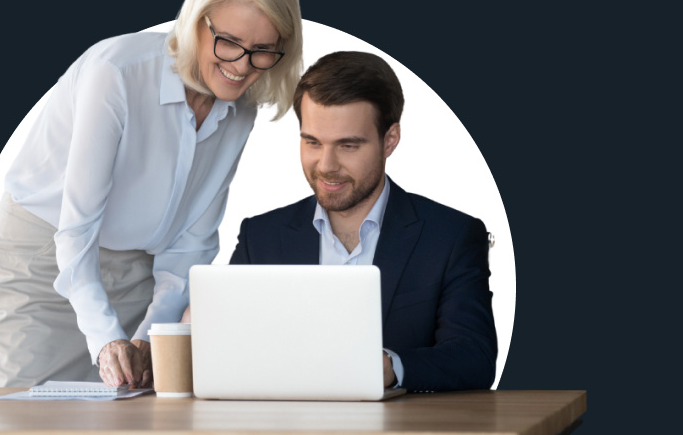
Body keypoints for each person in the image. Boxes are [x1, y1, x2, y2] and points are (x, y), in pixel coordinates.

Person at [0, 0, 303, 388]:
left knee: (132, 412)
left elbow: (192, 242)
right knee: (30, 414)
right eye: (228, 43)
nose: (241, 67)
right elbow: (76, 231)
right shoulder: (117, 74)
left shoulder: (241, 108)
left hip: (137, 271)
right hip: (45, 262)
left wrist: (152, 334)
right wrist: (106, 340)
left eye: (263, 50)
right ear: (196, 23)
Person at [184, 51, 497, 392]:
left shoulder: (451, 236)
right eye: (312, 142)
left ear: (389, 140)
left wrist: (392, 368)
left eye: (348, 145)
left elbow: (474, 357)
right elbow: (229, 352)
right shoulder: (260, 238)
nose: (326, 165)